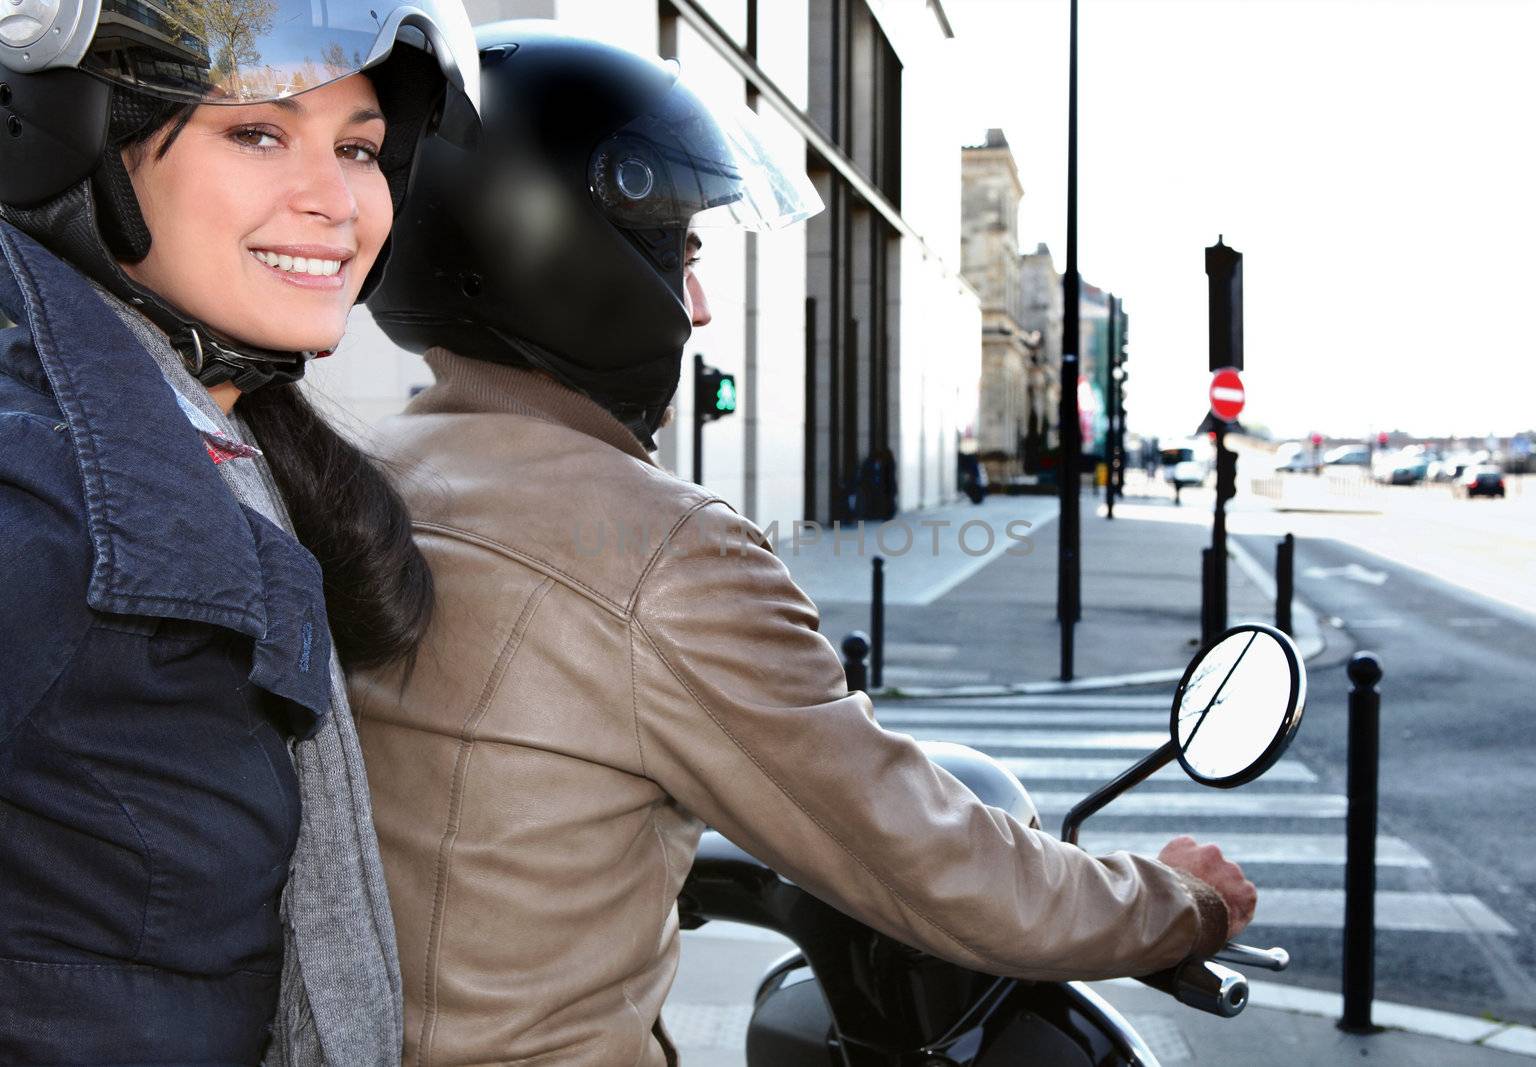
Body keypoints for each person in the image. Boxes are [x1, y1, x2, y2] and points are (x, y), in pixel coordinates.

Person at [351, 26, 1255, 1066]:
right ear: (561, 248)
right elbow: (925, 855)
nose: (695, 306)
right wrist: (1176, 900)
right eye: (681, 255)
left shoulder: (363, 475)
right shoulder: (665, 555)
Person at [0, 2, 478, 1061]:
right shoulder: (38, 493)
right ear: (76, 139)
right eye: (258, 131)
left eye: (358, 148)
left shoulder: (231, 448)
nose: (335, 202)